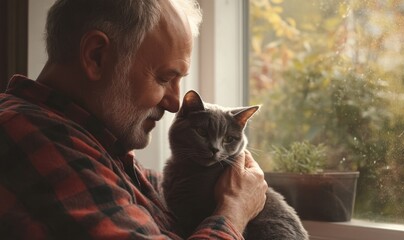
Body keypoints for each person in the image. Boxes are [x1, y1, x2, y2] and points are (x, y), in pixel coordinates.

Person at [0, 0, 268, 239]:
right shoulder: (38, 140)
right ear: (96, 56)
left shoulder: (98, 146)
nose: (175, 104)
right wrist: (234, 210)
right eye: (164, 78)